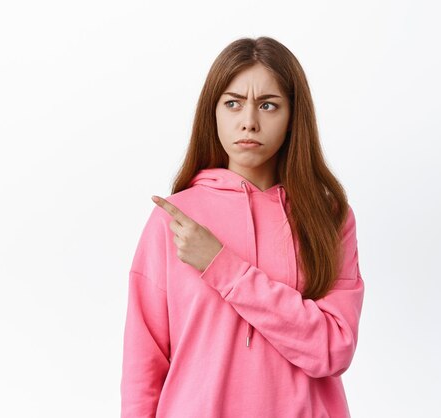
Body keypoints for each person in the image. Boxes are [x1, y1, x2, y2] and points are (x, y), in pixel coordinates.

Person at [120, 36, 365, 418]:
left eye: (268, 105)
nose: (249, 121)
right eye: (233, 103)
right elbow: (143, 364)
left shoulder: (328, 217)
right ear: (213, 112)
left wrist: (224, 268)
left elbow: (333, 349)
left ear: (292, 117)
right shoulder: (176, 219)